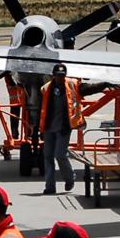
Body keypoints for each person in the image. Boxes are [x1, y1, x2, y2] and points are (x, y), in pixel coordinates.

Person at [40, 64, 85, 194]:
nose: (60, 78)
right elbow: (40, 107)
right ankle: (50, 187)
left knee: (59, 155)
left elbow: (87, 89)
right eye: (58, 76)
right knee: (48, 157)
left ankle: (70, 178)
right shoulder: (46, 88)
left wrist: (103, 84)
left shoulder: (71, 85)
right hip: (49, 127)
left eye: (62, 76)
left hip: (63, 128)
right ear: (53, 76)